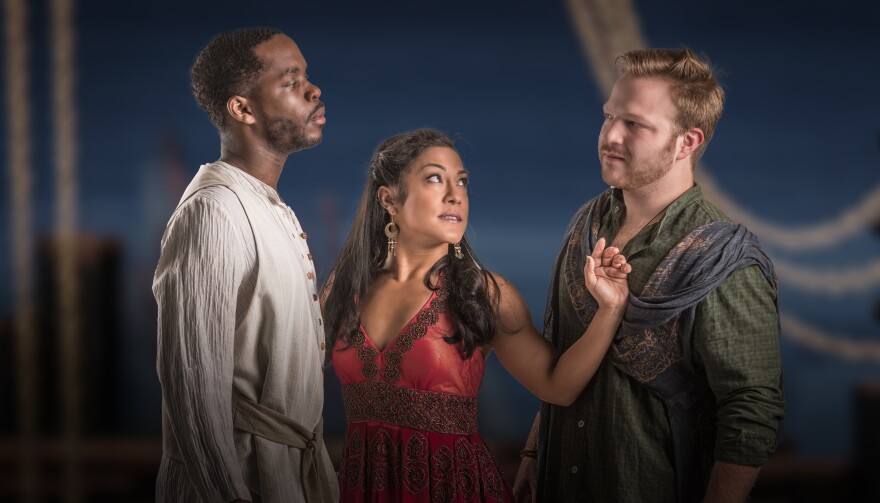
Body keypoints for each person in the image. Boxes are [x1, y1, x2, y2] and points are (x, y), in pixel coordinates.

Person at [512, 48, 785, 503]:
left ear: (687, 142)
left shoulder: (725, 259)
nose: (609, 135)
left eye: (634, 124)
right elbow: (564, 347)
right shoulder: (587, 222)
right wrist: (535, 450)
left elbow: (751, 411)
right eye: (608, 117)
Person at [321, 129, 632, 502]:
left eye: (462, 181)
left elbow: (558, 386)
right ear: (389, 199)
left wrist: (610, 309)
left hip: (458, 489)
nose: (456, 194)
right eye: (435, 178)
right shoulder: (344, 288)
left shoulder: (486, 294)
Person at [153, 27, 337, 503]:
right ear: (242, 109)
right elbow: (194, 390)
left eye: (307, 77)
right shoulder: (214, 212)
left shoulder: (266, 205)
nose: (313, 90)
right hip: (240, 482)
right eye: (291, 80)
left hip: (287, 478)